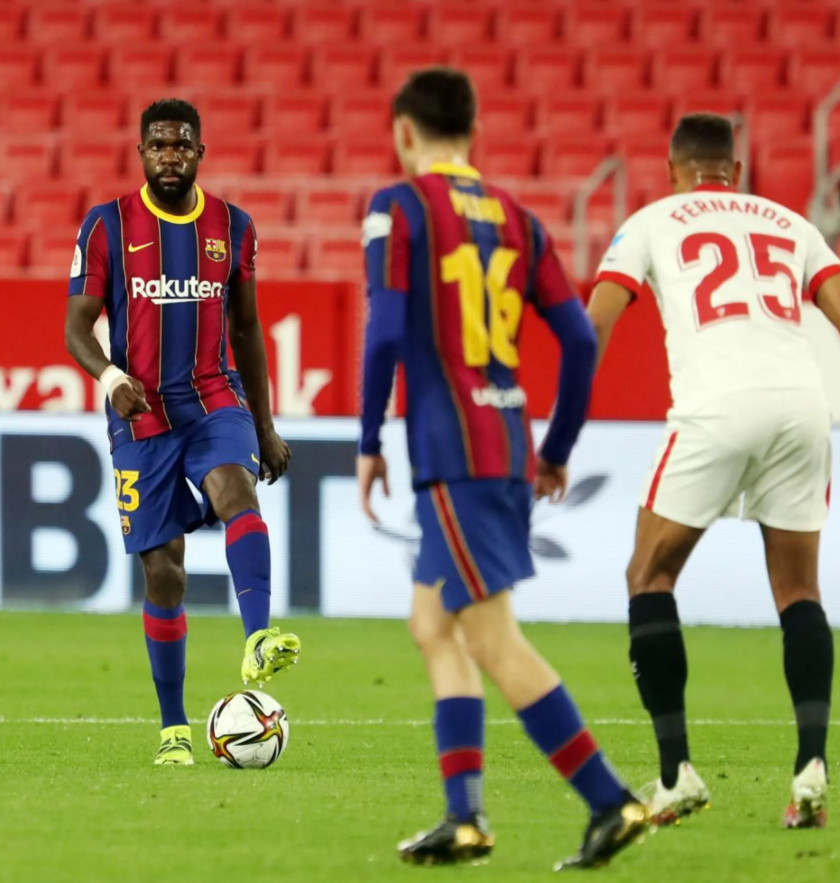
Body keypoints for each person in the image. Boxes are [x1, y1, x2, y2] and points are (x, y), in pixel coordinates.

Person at [357, 68, 650, 870]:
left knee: (490, 633)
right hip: (505, 445)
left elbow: (383, 335)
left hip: (454, 455)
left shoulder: (399, 206)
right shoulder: (519, 219)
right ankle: (465, 817)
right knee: (431, 623)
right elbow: (582, 340)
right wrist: (555, 448)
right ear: (473, 130)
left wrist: (368, 439)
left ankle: (610, 799)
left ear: (405, 132)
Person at [585, 113, 840, 829]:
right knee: (799, 591)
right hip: (801, 408)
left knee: (649, 576)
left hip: (716, 407)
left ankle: (675, 774)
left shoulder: (652, 219)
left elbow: (598, 319)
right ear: (738, 169)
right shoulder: (790, 223)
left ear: (673, 169)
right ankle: (811, 771)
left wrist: (565, 422)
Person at [64, 99, 299, 767]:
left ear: (201, 152)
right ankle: (173, 728)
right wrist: (110, 377)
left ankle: (258, 636)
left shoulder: (234, 226)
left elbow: (248, 328)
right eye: (159, 145)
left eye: (182, 145)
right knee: (163, 572)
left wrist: (265, 421)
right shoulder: (107, 226)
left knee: (235, 490)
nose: (171, 155)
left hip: (214, 397)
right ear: (141, 153)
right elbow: (76, 328)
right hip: (141, 416)